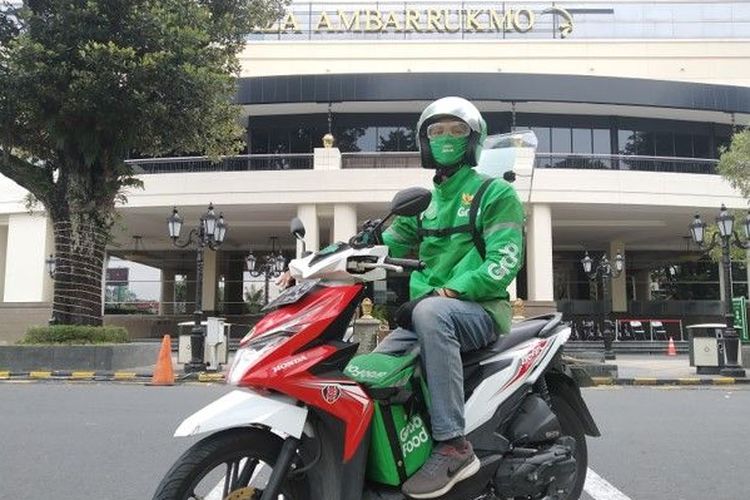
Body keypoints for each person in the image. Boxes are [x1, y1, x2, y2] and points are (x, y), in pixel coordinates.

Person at [376, 96, 524, 499]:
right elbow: (378, 248)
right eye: (435, 131)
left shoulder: (493, 194)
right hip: (426, 314)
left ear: (473, 140)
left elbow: (504, 261)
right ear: (424, 142)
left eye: (456, 131)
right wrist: (314, 263)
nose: (445, 138)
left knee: (432, 313)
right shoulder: (422, 204)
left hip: (479, 311)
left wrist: (447, 291)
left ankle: (454, 445)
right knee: (370, 371)